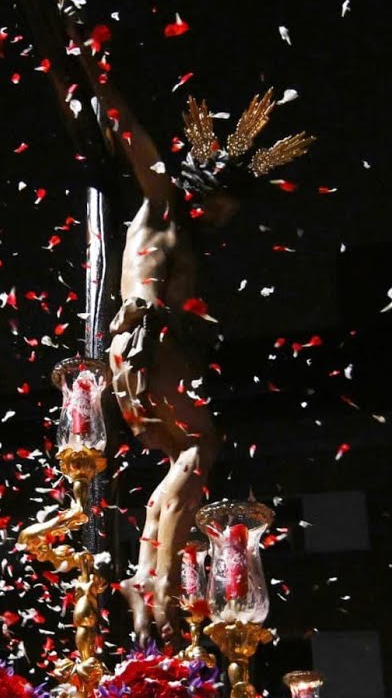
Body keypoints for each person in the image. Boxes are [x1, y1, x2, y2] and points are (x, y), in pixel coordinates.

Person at [71, 41, 313, 642]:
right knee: (202, 442)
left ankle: (151, 562)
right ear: (203, 190)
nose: (223, 220)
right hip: (143, 341)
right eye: (223, 207)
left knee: (189, 451)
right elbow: (138, 143)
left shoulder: (181, 234)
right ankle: (153, 574)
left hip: (143, 348)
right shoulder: (161, 206)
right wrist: (94, 73)